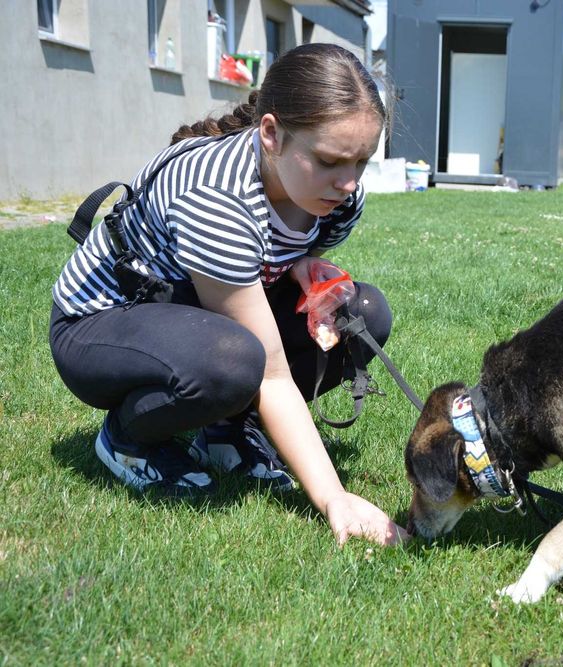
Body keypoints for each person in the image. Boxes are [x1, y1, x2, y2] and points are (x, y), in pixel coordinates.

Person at [49, 43, 408, 547]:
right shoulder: (216, 199)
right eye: (329, 160)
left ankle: (226, 432)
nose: (348, 182)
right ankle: (128, 438)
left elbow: (276, 252)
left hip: (188, 311)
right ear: (270, 134)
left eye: (362, 162)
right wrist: (335, 498)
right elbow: (272, 373)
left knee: (359, 317)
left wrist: (301, 264)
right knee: (235, 361)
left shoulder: (336, 195)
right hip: (98, 324)